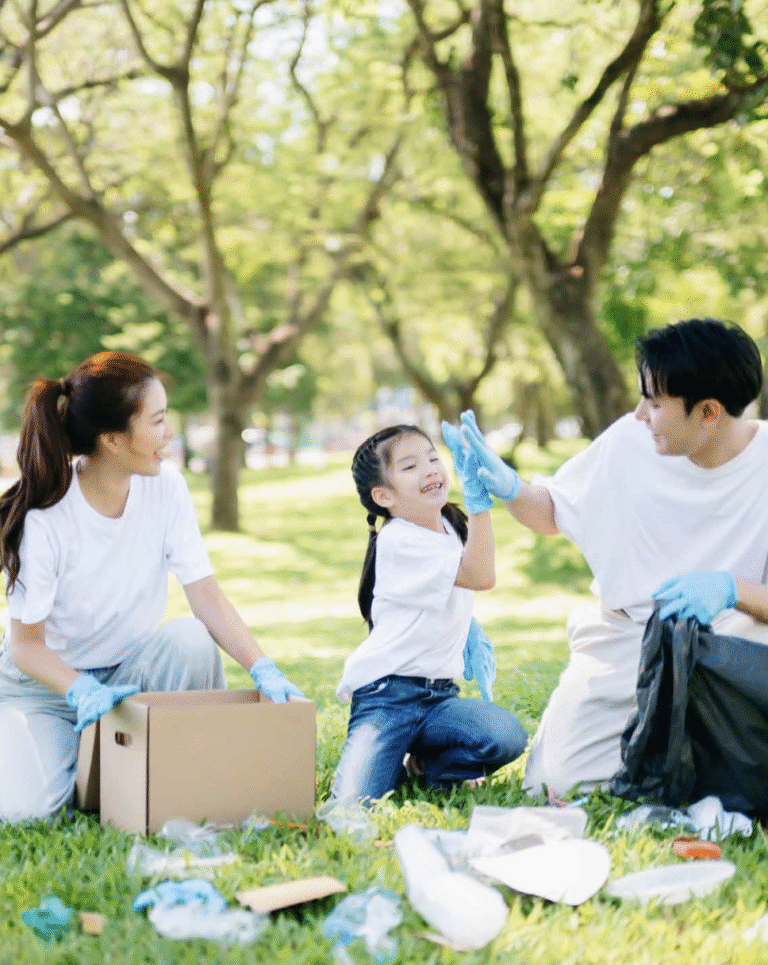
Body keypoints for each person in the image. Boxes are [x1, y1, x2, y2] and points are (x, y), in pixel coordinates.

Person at [452, 317, 768, 796]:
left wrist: (730, 588)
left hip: (728, 637)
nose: (640, 413)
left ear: (708, 412)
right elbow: (553, 512)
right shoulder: (629, 442)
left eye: (655, 402)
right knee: (556, 783)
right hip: (627, 637)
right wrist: (512, 488)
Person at [0, 351, 303, 823]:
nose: (169, 435)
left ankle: (121, 757)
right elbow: (26, 647)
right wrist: (80, 691)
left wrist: (263, 667)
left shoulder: (167, 489)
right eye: (158, 421)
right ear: (113, 440)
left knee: (189, 640)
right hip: (45, 688)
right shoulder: (47, 520)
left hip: (128, 675)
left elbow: (205, 597)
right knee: (28, 812)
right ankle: (77, 750)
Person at [330, 422, 527, 803]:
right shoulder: (399, 538)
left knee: (504, 735)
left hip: (439, 697)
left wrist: (467, 629)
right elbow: (481, 576)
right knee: (354, 805)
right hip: (387, 695)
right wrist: (481, 504)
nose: (430, 469)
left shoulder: (451, 528)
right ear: (383, 495)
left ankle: (430, 769)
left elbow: (452, 588)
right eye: (410, 466)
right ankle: (391, 758)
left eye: (433, 458)